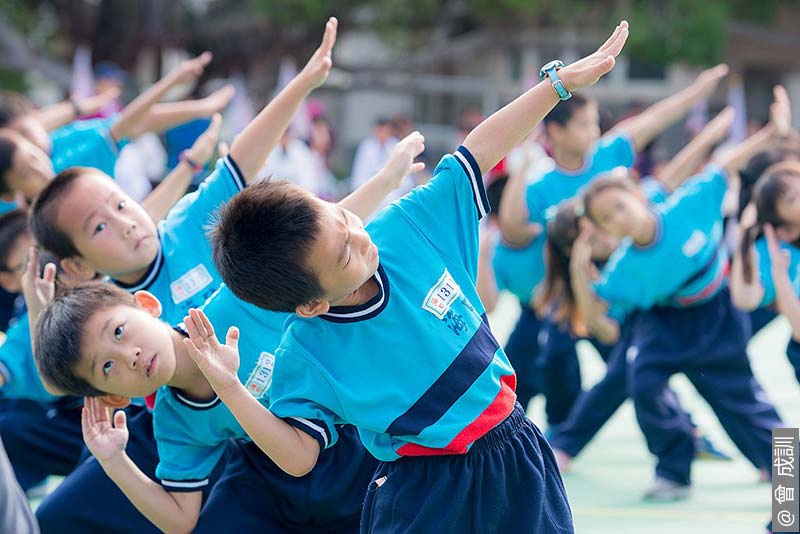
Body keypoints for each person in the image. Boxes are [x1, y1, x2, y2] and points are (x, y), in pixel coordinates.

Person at [187, 21, 632, 534]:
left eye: (344, 218)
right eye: (343, 253)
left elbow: (478, 151)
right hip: (423, 495)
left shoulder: (407, 226)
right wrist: (231, 387)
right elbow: (299, 456)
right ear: (309, 305)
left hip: (514, 455)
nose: (360, 236)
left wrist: (558, 86)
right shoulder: (307, 352)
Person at [568, 87, 789, 499]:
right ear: (606, 231)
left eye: (620, 205)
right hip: (663, 322)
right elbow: (601, 325)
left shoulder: (688, 203)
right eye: (607, 218)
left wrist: (771, 134)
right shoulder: (622, 270)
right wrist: (580, 273)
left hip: (716, 313)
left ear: (638, 195)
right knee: (643, 382)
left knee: (743, 402)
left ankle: (783, 476)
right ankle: (674, 467)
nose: (619, 218)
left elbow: (726, 164)